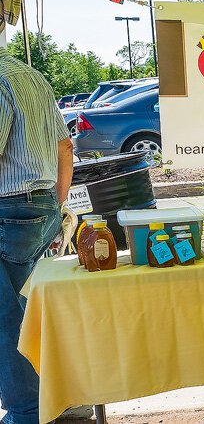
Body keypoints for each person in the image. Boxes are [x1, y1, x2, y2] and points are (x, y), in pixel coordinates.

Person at [0, 53, 71, 424]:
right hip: (40, 205)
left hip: (9, 207)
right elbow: (65, 147)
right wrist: (55, 207)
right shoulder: (32, 76)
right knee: (31, 309)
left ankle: (28, 412)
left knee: (7, 318)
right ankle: (57, 396)